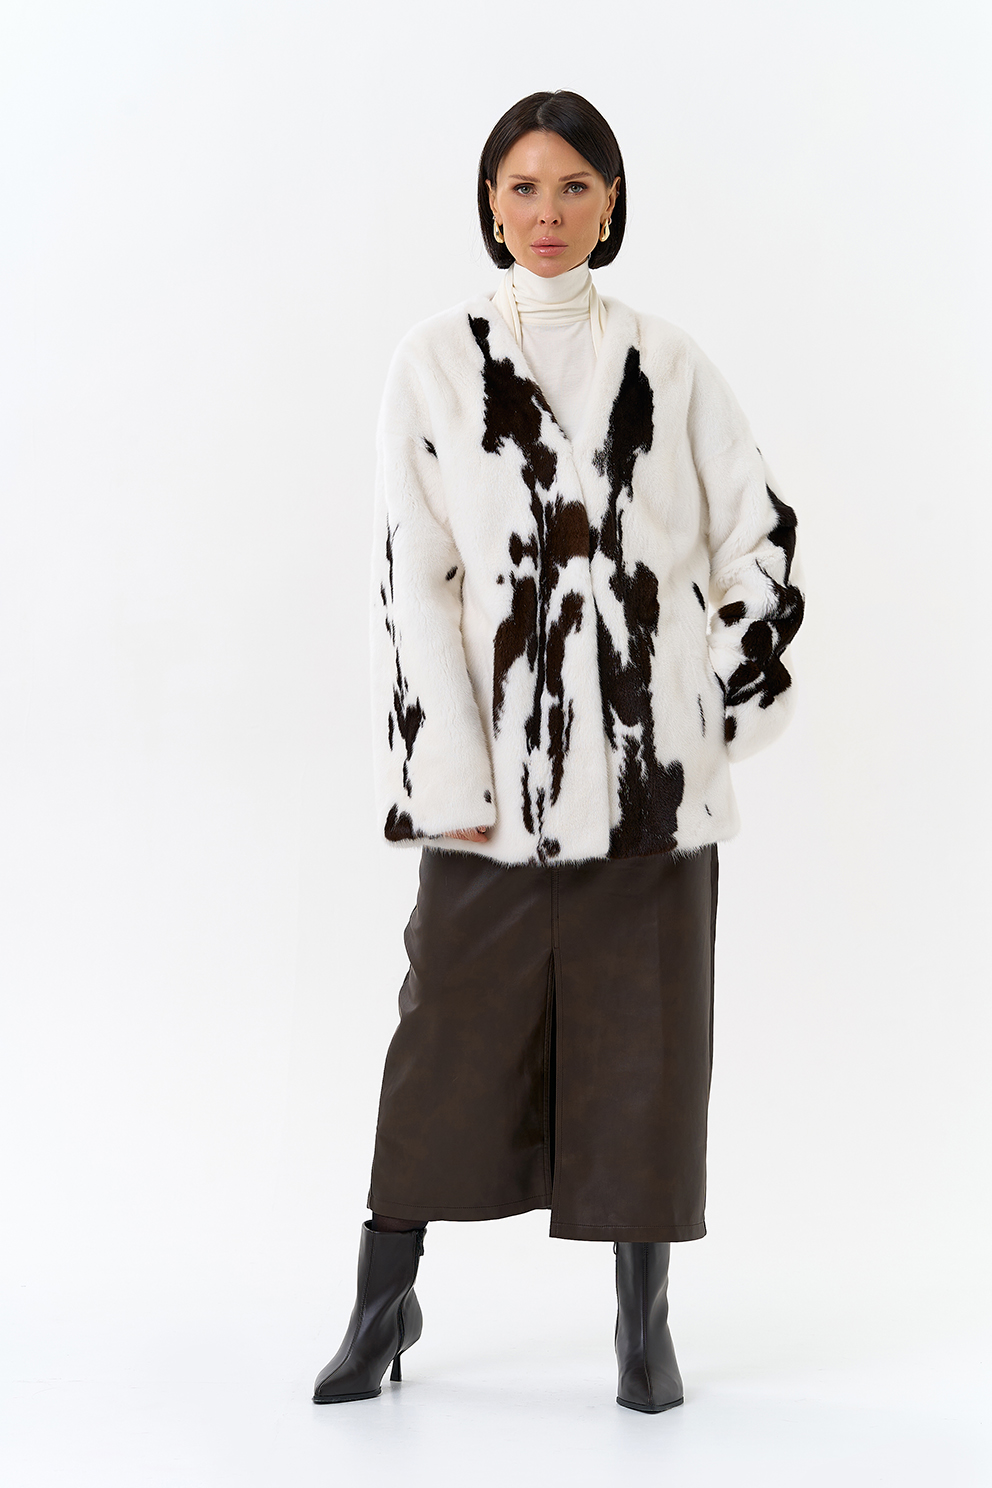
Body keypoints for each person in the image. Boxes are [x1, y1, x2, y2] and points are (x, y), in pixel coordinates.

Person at [313, 90, 804, 1413]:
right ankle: (382, 1300)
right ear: (490, 203)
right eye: (524, 187)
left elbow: (759, 534)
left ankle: (644, 1325)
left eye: (575, 187)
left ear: (610, 202)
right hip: (492, 800)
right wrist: (449, 777)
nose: (548, 212)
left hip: (651, 801)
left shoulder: (671, 364)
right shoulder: (434, 362)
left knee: (650, 1051)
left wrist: (698, 708)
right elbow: (414, 580)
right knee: (443, 1044)